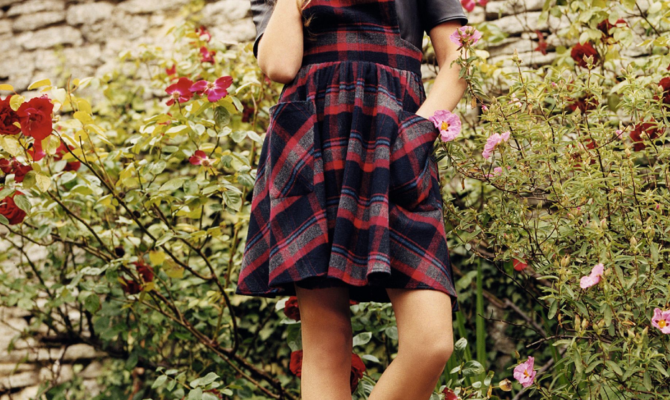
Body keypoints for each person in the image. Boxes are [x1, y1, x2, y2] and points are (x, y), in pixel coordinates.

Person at [236, 0, 469, 398]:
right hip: (313, 142)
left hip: (394, 139)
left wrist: (415, 134)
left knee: (430, 342)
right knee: (326, 343)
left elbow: (459, 59)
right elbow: (278, 66)